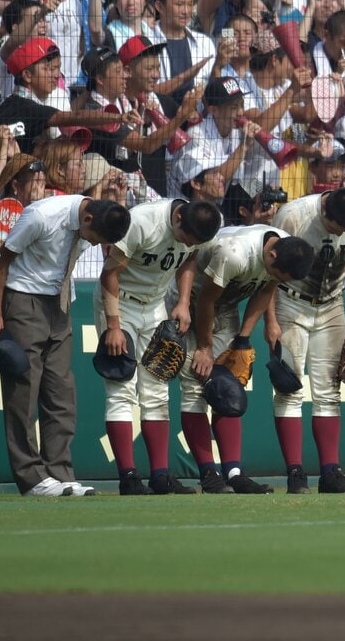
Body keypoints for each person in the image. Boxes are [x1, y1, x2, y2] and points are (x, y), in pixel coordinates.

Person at [0, 194, 131, 496]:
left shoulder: (92, 219)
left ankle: (60, 473)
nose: (92, 244)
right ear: (87, 219)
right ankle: (32, 479)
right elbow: (1, 262)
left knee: (61, 391)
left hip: (62, 301)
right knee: (23, 390)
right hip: (23, 298)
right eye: (94, 238)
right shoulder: (41, 216)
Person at [95, 197, 222, 496]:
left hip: (155, 306)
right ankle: (128, 476)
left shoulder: (197, 227)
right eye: (185, 237)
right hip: (119, 304)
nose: (187, 243)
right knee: (121, 389)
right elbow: (109, 273)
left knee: (156, 392)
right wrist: (114, 326)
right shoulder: (142, 221)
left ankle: (160, 475)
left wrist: (182, 302)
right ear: (177, 219)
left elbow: (189, 259)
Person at [181, 225, 315, 495]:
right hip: (192, 303)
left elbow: (266, 289)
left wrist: (243, 338)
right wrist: (205, 348)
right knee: (196, 387)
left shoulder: (281, 247)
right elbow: (205, 300)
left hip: (226, 306)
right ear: (273, 256)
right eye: (279, 273)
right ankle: (208, 474)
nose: (279, 278)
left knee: (228, 388)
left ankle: (233, 472)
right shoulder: (235, 253)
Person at [270, 188, 345, 495]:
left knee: (329, 391)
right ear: (325, 213)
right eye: (336, 227)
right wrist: (271, 319)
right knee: (289, 387)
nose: (341, 233)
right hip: (291, 300)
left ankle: (331, 472)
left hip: (332, 302)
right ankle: (294, 472)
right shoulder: (294, 216)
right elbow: (271, 271)